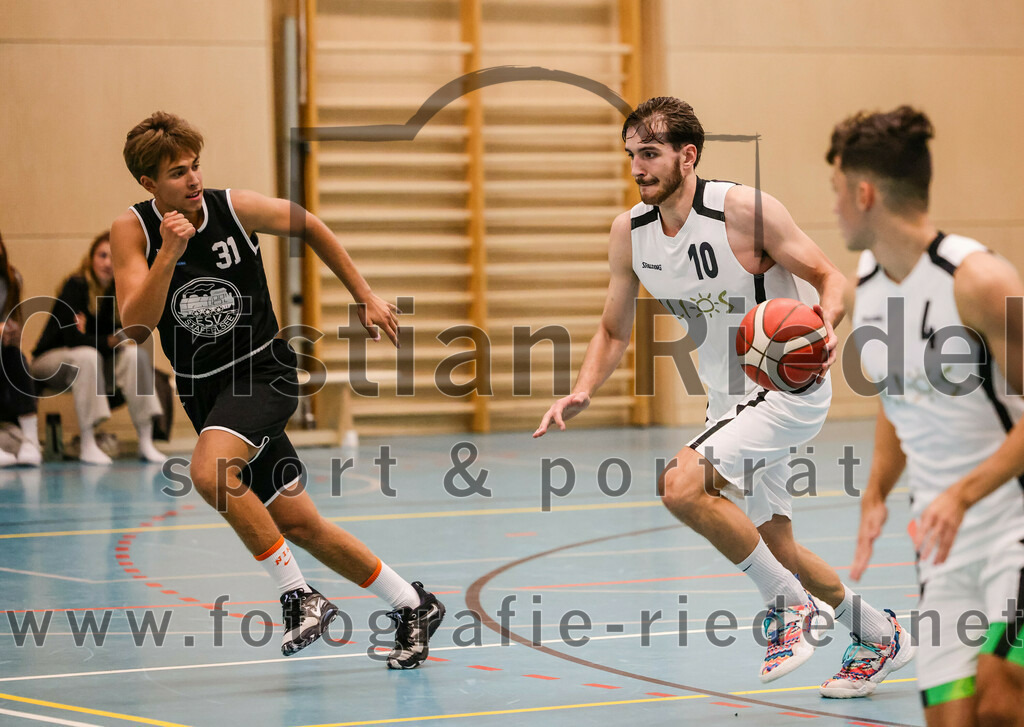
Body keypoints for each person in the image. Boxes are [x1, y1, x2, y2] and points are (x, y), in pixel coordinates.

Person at [535, 97, 913, 692]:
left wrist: (824, 325)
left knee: (681, 486)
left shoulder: (743, 211)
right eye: (631, 154)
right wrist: (582, 389)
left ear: (688, 156)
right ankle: (879, 634)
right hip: (727, 399)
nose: (637, 167)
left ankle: (790, 608)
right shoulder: (630, 233)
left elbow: (829, 277)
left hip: (784, 386)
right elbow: (613, 330)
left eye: (650, 153)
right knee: (776, 548)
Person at [109, 111, 445, 666]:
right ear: (149, 183)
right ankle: (413, 604)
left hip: (262, 374)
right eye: (176, 172)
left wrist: (363, 293)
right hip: (205, 394)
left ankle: (297, 595)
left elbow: (309, 224)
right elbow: (136, 326)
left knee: (210, 472)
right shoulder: (133, 230)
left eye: (194, 166)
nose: (193, 179)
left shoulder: (233, 208)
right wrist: (168, 253)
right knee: (299, 524)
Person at [830, 106, 1024, 725]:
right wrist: (876, 492)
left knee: (1001, 692)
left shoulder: (979, 280)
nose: (833, 207)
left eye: (836, 191)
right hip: (943, 542)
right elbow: (897, 397)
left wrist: (963, 494)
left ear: (864, 194)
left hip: (1013, 523)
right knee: (951, 716)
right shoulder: (865, 288)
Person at [30, 232, 166, 465]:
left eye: (113, 257)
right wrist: (106, 341)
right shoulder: (76, 286)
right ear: (91, 258)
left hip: (95, 360)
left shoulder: (118, 290)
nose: (107, 263)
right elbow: (73, 338)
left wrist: (107, 339)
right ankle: (87, 442)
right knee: (87, 355)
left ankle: (146, 440)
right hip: (50, 360)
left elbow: (120, 335)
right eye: (102, 256)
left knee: (134, 355)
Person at [0, 231, 42, 466]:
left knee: (14, 356)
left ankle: (30, 439)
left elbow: (12, 320)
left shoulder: (11, 278)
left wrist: (12, 332)